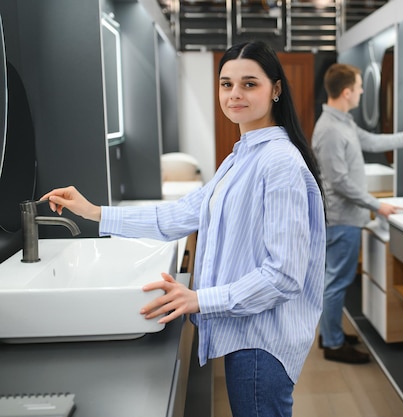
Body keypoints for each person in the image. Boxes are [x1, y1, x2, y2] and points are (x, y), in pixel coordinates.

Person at [41, 41, 325, 417]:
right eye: (226, 84)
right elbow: (176, 216)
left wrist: (199, 299)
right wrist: (93, 212)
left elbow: (284, 276)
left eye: (249, 84)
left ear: (275, 90)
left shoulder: (279, 163)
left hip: (262, 346)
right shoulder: (242, 156)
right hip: (250, 335)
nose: (235, 94)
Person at [312, 63, 403, 364]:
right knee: (337, 281)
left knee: (335, 279)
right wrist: (378, 205)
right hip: (341, 219)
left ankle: (331, 334)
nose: (363, 91)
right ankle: (334, 345)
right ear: (347, 91)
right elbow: (339, 182)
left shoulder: (344, 122)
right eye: (360, 86)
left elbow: (373, 142)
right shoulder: (330, 130)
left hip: (348, 218)